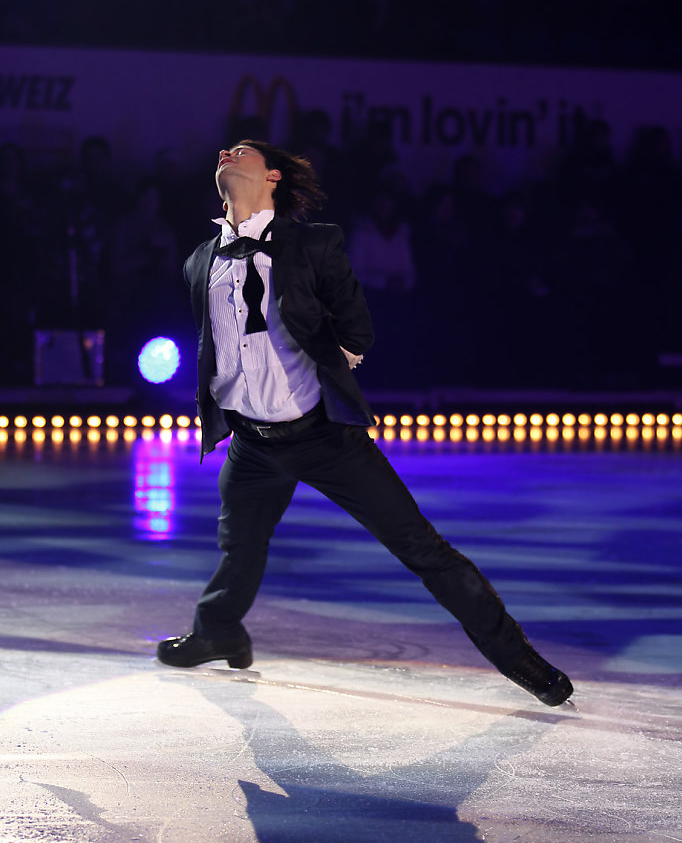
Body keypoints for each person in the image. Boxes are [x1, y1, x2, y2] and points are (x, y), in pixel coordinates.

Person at [157, 140, 573, 707]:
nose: (228, 151)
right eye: (225, 150)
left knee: (423, 548)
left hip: (325, 437)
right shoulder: (199, 261)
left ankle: (518, 657)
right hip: (252, 446)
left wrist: (325, 374)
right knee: (240, 547)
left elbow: (357, 332)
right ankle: (218, 631)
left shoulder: (314, 244)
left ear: (273, 175)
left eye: (244, 150)